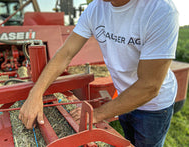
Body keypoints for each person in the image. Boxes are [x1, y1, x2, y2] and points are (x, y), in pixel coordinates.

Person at [19, 0, 179, 146]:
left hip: (154, 107)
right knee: (128, 140)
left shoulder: (160, 10)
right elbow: (66, 53)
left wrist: (96, 114)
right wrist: (36, 94)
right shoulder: (96, 8)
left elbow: (149, 86)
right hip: (124, 97)